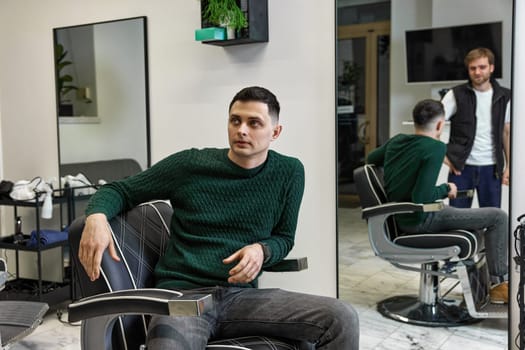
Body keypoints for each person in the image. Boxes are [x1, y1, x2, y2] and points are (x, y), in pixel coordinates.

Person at [78, 86, 359, 349]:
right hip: (182, 298)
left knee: (341, 317)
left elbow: (284, 238)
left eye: (254, 123)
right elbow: (120, 190)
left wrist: (262, 250)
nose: (242, 130)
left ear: (275, 132)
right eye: (235, 121)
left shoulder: (289, 172)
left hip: (241, 297)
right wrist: (97, 217)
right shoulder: (190, 165)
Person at [366, 99, 508, 304]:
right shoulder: (435, 147)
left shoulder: (396, 141)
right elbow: (421, 198)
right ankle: (499, 287)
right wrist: (446, 189)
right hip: (420, 219)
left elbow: (371, 158)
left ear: (415, 121)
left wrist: (399, 176)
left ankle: (492, 286)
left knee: (485, 223)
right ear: (441, 125)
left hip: (402, 217)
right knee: (498, 217)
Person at [441, 47, 511, 208]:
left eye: (482, 67)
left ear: (491, 68)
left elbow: (506, 133)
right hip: (461, 170)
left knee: (492, 219)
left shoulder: (505, 96)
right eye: (473, 68)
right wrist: (446, 160)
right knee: (457, 218)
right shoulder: (455, 95)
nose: (477, 72)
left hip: (492, 170)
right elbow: (432, 128)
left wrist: (509, 166)